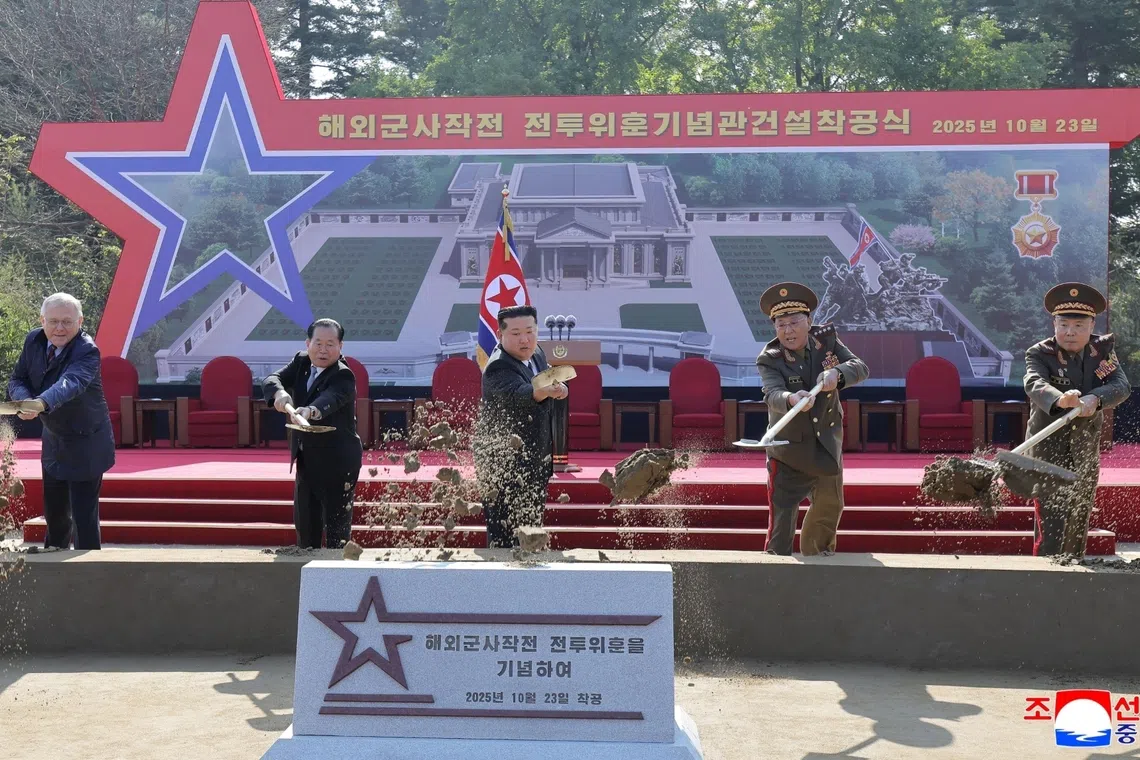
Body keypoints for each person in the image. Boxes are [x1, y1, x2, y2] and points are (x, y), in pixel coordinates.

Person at [755, 282, 869, 556]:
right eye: (781, 325)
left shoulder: (826, 341)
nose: (788, 331)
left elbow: (860, 367)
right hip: (788, 450)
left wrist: (837, 374)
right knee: (782, 520)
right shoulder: (770, 358)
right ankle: (776, 568)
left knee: (829, 507)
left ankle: (818, 559)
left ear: (809, 322)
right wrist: (792, 399)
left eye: (794, 322)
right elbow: (772, 393)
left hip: (826, 445)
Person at [1023, 283, 1130, 557]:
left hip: (1084, 445)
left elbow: (1121, 386)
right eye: (1064, 324)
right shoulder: (1040, 353)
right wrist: (1060, 399)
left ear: (1092, 325)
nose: (1070, 332)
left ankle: (1074, 565)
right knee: (1051, 515)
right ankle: (1046, 569)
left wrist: (1095, 398)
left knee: (1079, 511)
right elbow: (1034, 382)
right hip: (1047, 446)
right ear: (1054, 324)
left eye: (1079, 325)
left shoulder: (1102, 351)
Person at [7, 293, 115, 549]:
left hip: (87, 441)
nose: (59, 328)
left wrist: (40, 404)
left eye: (67, 322)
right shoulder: (34, 340)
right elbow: (18, 379)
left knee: (83, 517)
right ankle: (52, 564)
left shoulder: (87, 350)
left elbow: (71, 382)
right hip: (54, 439)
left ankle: (89, 567)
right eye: (53, 321)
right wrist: (24, 401)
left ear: (80, 322)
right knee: (55, 515)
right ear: (42, 320)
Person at [263, 318, 363, 549]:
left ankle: (338, 569)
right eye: (318, 343)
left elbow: (331, 398)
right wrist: (279, 393)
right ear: (308, 343)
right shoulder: (301, 362)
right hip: (307, 458)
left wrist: (309, 411)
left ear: (340, 346)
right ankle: (305, 564)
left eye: (330, 344)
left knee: (337, 532)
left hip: (339, 461)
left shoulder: (343, 375)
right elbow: (272, 379)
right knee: (306, 527)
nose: (323, 350)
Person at [474, 304, 567, 548]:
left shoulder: (536, 353)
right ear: (500, 334)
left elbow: (548, 377)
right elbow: (519, 395)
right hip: (503, 464)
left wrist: (560, 388)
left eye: (529, 331)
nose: (524, 339)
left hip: (535, 458)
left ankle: (531, 568)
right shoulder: (497, 366)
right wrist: (545, 391)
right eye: (515, 334)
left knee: (531, 527)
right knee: (504, 536)